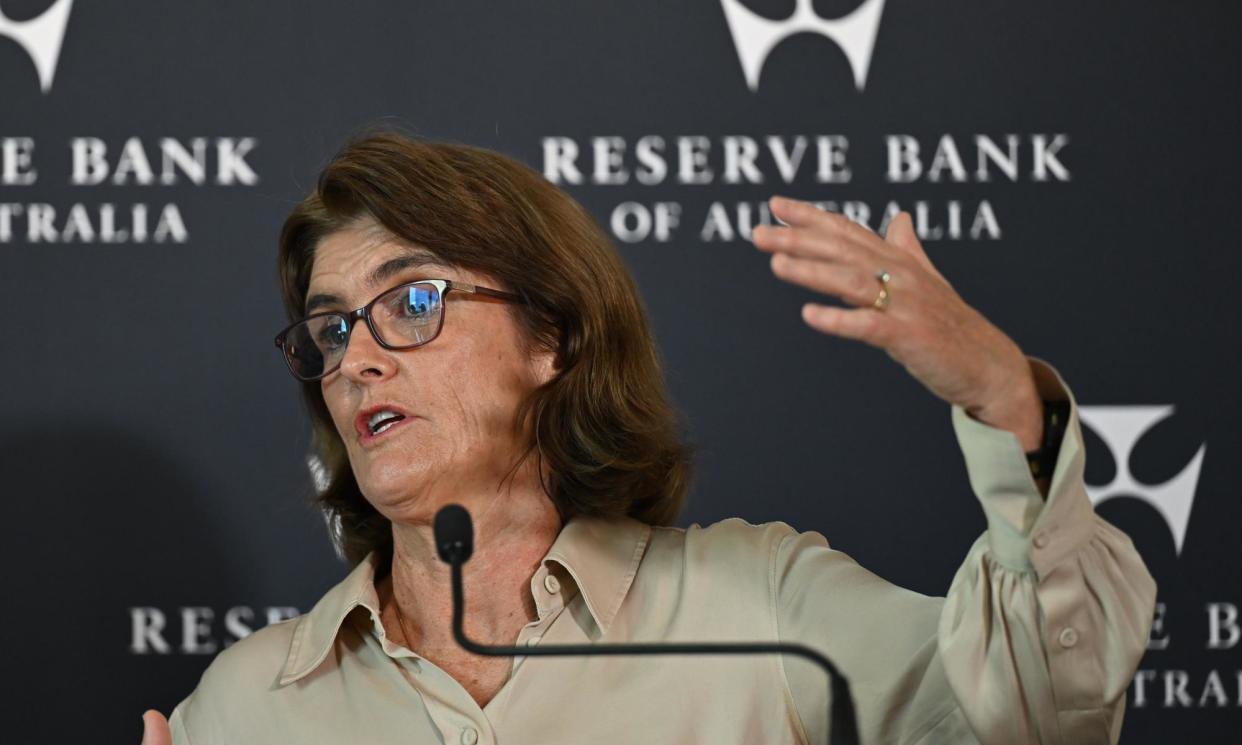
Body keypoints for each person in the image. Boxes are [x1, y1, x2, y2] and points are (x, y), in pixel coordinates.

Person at [140, 131, 1156, 745]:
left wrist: (1004, 398)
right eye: (329, 327)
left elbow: (1036, 714)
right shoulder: (246, 705)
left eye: (411, 301)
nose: (357, 358)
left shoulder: (761, 607)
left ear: (556, 338)